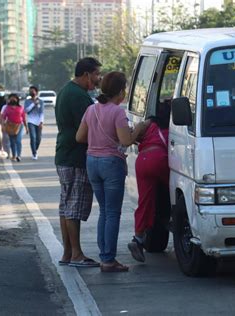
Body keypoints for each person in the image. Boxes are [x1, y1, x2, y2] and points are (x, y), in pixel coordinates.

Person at [76, 71, 148, 272]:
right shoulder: (117, 112)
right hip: (111, 164)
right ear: (120, 92)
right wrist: (140, 128)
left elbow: (80, 137)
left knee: (104, 211)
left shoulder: (91, 109)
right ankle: (108, 259)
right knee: (113, 213)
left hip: (92, 162)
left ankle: (104, 256)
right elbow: (126, 140)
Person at [55, 57, 102, 268]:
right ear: (86, 75)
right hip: (76, 157)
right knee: (74, 206)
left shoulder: (66, 91)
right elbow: (87, 130)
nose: (98, 79)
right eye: (96, 75)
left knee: (65, 206)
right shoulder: (79, 97)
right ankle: (76, 253)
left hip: (64, 154)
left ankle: (67, 253)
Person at [127, 103, 171, 263]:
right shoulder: (173, 129)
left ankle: (138, 239)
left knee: (144, 202)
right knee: (175, 194)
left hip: (143, 160)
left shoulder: (150, 124)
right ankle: (172, 218)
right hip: (159, 159)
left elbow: (135, 134)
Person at [1, 93, 28, 162]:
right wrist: (3, 126)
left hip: (19, 126)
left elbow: (24, 118)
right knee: (12, 142)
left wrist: (26, 128)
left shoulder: (21, 108)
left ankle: (18, 155)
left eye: (14, 98)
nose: (13, 99)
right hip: (10, 126)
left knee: (18, 141)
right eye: (11, 98)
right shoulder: (7, 108)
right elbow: (3, 117)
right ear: (9, 100)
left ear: (17, 99)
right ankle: (14, 155)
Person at [25, 86, 44, 160]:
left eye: (33, 91)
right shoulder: (27, 101)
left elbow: (42, 113)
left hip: (38, 122)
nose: (31, 92)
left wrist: (41, 122)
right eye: (30, 91)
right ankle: (34, 153)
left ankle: (35, 149)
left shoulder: (41, 101)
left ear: (36, 92)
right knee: (33, 137)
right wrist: (33, 104)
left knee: (38, 139)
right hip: (31, 121)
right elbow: (26, 111)